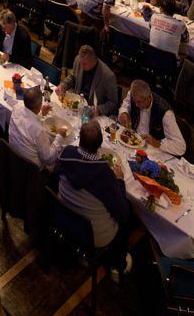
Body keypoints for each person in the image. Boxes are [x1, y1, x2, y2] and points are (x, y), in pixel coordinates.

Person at [55, 121, 135, 282]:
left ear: (80, 141)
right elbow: (123, 214)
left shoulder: (66, 153)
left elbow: (56, 173)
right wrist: (120, 181)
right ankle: (117, 263)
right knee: (130, 212)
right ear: (100, 145)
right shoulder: (105, 175)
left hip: (63, 218)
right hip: (90, 236)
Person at [117, 79, 187, 156]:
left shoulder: (165, 113)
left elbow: (181, 147)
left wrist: (158, 143)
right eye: (134, 101)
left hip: (152, 150)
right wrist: (124, 113)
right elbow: (124, 106)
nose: (136, 105)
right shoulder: (133, 95)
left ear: (149, 97)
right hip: (132, 141)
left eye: (139, 102)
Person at [56, 45, 118, 115]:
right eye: (81, 63)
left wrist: (99, 110)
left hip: (91, 111)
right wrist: (63, 86)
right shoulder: (79, 60)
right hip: (76, 104)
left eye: (84, 64)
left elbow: (113, 103)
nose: (81, 66)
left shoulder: (108, 76)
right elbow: (73, 77)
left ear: (93, 61)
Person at [9, 86, 59, 169]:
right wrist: (59, 137)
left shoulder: (16, 109)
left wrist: (41, 113)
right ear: (38, 106)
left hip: (13, 158)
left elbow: (28, 119)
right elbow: (49, 159)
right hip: (31, 171)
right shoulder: (38, 130)